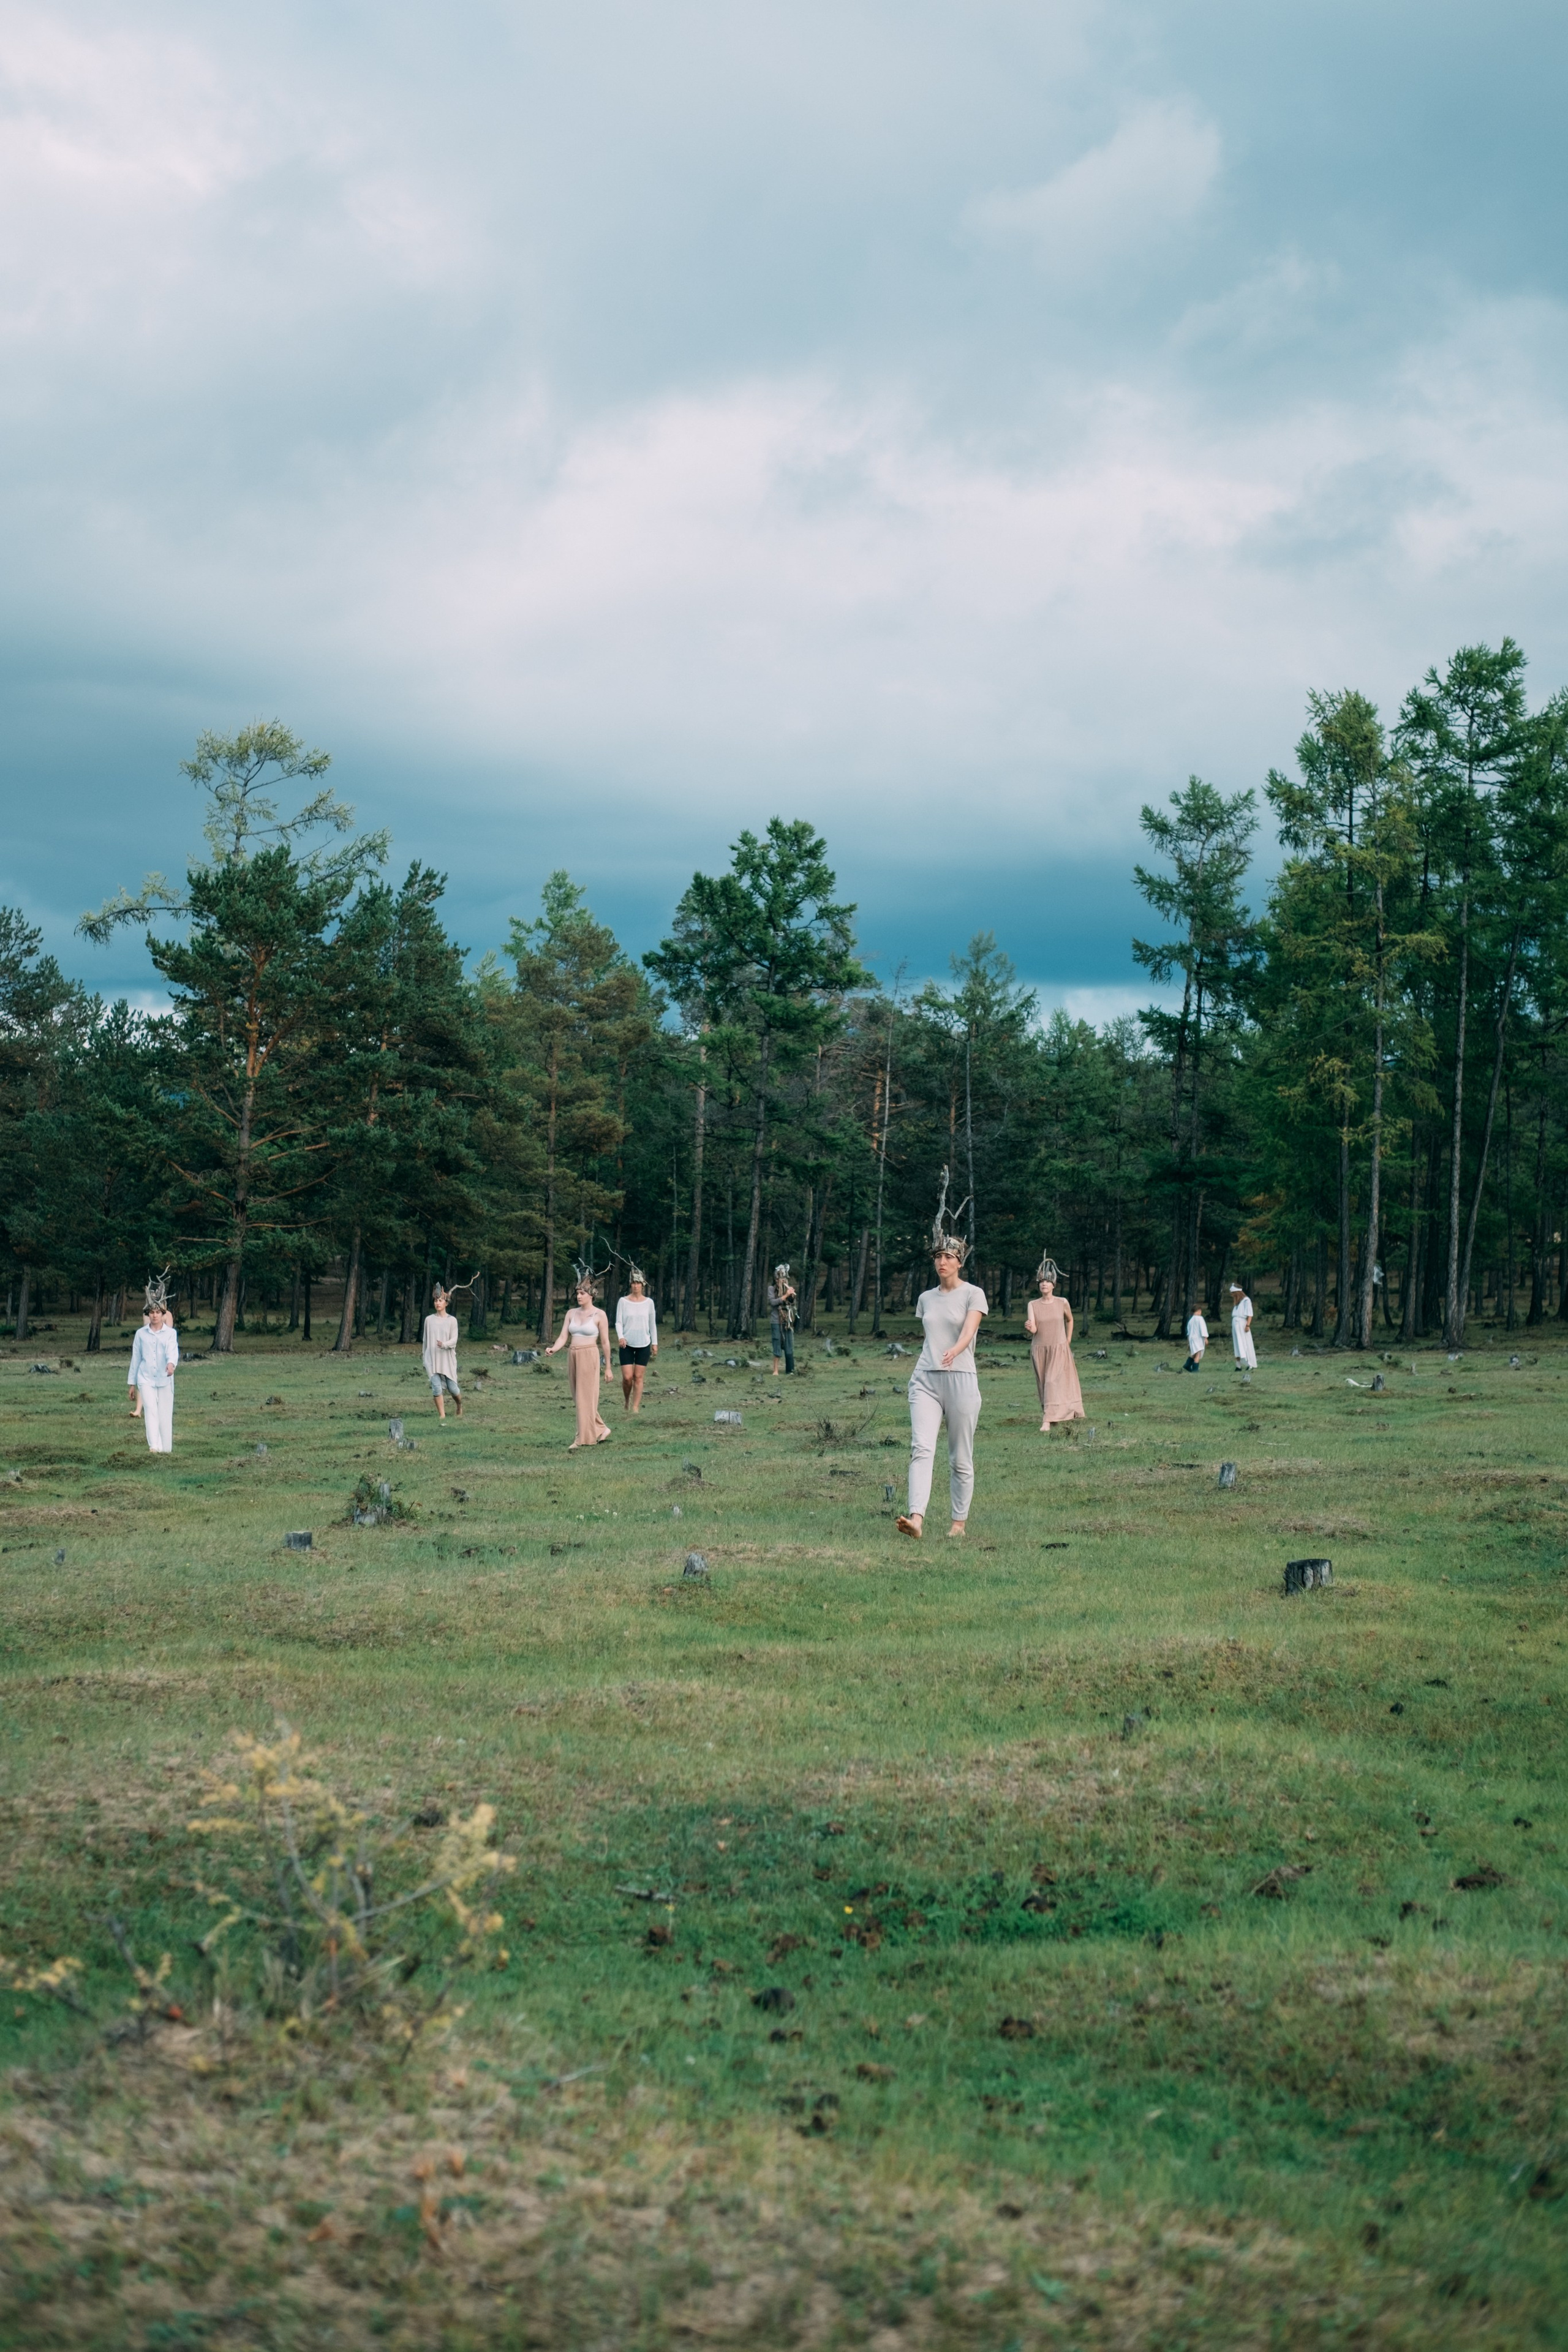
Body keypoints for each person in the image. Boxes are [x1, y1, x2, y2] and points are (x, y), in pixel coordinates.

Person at [897, 1177, 986, 1540]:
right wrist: (939, 1353)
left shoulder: (974, 1294)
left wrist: (957, 1348)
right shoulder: (926, 1298)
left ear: (960, 1261)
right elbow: (929, 1335)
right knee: (922, 1448)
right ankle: (916, 1518)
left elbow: (969, 1330)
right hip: (926, 1380)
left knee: (959, 1458)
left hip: (961, 1379)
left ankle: (958, 1524)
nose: (942, 1262)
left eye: (949, 1257)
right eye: (938, 1257)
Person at [546, 1273, 612, 1449]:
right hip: (573, 1355)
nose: (579, 1296)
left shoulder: (600, 1315)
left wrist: (608, 1368)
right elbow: (563, 1337)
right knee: (579, 1397)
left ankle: (582, 1438)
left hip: (589, 1355)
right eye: (577, 1293)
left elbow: (605, 1343)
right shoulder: (571, 1314)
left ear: (591, 1295)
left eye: (582, 1293)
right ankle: (602, 1429)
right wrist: (554, 1348)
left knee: (586, 1397)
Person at [1024, 1257, 1084, 1431]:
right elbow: (1034, 1329)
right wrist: (1030, 1327)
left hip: (1058, 1348)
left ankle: (1046, 1421)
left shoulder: (1062, 1302)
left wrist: (1068, 1339)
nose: (1044, 1284)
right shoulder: (1033, 1305)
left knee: (1052, 1382)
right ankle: (1053, 1416)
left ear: (1054, 1285)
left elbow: (1070, 1320)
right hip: (1039, 1349)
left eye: (1048, 1282)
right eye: (1042, 1281)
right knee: (1044, 1383)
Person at [127, 1302, 178, 1453]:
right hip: (146, 1378)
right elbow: (136, 1358)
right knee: (150, 1410)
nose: (155, 1315)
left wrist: (171, 1365)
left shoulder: (171, 1333)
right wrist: (132, 1384)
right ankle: (154, 1446)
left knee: (165, 1413)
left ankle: (166, 1449)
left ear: (163, 1315)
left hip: (165, 1379)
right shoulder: (141, 1334)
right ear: (148, 1314)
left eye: (158, 1312)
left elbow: (173, 1351)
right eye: (152, 1312)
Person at [614, 1268, 658, 1412]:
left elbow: (652, 1324)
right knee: (628, 1378)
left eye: (638, 1283)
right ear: (631, 1285)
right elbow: (618, 1322)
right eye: (633, 1283)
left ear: (643, 1285)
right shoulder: (623, 1301)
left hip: (644, 1343)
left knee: (638, 1377)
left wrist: (655, 1343)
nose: (636, 1286)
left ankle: (635, 1407)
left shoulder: (649, 1303)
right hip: (626, 1344)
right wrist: (621, 1336)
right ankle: (627, 1400)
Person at [421, 1286, 463, 1420]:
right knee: (436, 1388)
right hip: (432, 1359)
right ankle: (442, 1415)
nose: (437, 1303)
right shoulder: (429, 1320)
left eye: (440, 1301)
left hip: (447, 1360)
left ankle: (459, 1405)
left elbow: (454, 1341)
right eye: (436, 1301)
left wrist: (444, 1345)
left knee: (453, 1389)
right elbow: (425, 1341)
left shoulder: (452, 1321)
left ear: (446, 1303)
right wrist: (425, 1359)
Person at [767, 1264, 797, 1376]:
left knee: (789, 1344)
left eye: (785, 1278)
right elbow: (773, 1303)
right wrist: (785, 1296)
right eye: (781, 1278)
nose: (783, 1280)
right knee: (777, 1343)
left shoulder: (787, 1288)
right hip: (776, 1321)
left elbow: (792, 1304)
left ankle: (790, 1370)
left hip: (787, 1321)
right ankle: (776, 1370)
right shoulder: (771, 1289)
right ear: (776, 1279)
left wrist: (791, 1296)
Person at [1230, 1281, 1257, 1370]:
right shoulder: (1238, 1303)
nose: (1232, 1295)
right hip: (1235, 1323)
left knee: (1244, 1343)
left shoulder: (1246, 1301)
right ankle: (1238, 1365)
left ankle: (1250, 1364)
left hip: (1242, 1323)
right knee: (1237, 1344)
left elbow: (1250, 1314)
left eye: (1233, 1293)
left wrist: (1248, 1325)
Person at [1183, 1305, 1208, 1372]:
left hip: (1192, 1338)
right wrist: (1205, 1338)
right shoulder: (1200, 1319)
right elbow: (1203, 1329)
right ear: (1199, 1311)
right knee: (1198, 1354)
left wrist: (1188, 1342)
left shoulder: (1191, 1320)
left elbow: (1188, 1332)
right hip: (1198, 1338)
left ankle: (1187, 1365)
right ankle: (1195, 1370)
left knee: (1194, 1352)